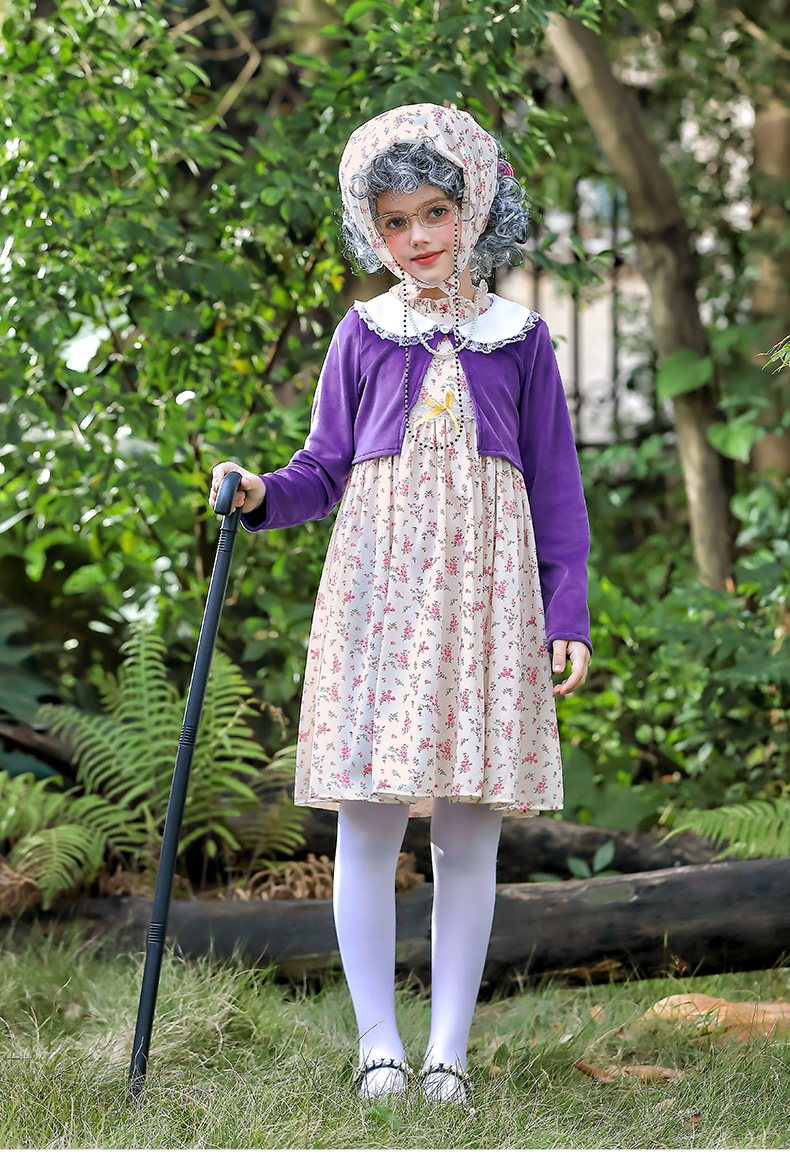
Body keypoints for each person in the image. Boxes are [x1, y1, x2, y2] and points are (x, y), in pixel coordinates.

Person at [210, 103, 592, 1109]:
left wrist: (567, 610)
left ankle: (447, 1051)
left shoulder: (520, 339)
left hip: (484, 597)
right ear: (370, 230)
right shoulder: (364, 332)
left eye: (435, 212)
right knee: (369, 820)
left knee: (467, 827)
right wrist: (259, 494)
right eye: (393, 221)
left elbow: (557, 489)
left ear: (478, 207)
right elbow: (322, 467)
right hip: (379, 592)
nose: (417, 236)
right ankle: (379, 1043)